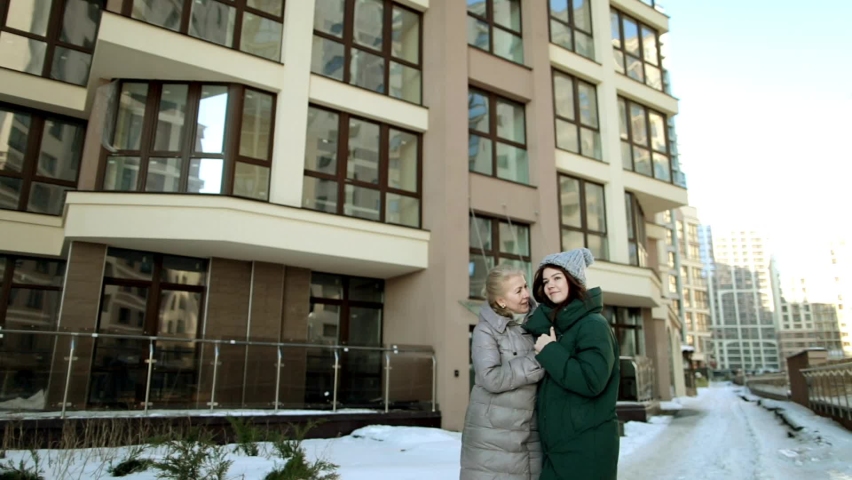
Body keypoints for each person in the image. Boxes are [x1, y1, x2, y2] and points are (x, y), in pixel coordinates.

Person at [522, 248, 620, 480]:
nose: (550, 285)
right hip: (560, 448)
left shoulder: (593, 325)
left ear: (574, 280)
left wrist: (550, 351)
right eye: (545, 281)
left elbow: (591, 380)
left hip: (585, 450)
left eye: (557, 278)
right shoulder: (562, 327)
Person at [460, 263, 544, 480]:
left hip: (527, 430)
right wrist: (541, 357)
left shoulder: (536, 324)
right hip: (493, 434)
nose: (527, 294)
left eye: (525, 286)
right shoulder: (485, 330)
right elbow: (491, 377)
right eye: (518, 290)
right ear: (501, 301)